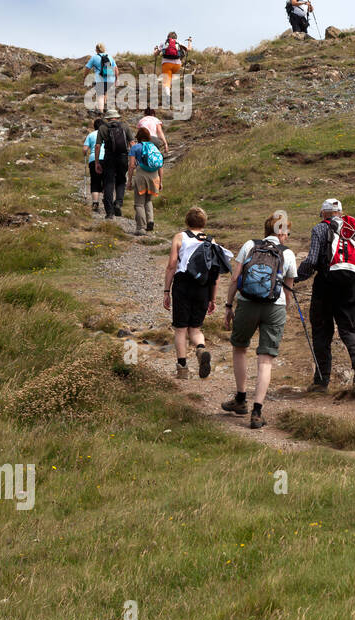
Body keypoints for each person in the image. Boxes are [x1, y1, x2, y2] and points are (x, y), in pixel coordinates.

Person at [222, 212, 298, 429]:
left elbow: (235, 278)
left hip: (247, 303)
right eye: (287, 232)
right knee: (265, 359)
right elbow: (288, 290)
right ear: (281, 234)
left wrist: (228, 306)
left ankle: (240, 398)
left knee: (239, 348)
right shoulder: (289, 254)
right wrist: (285, 311)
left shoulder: (249, 245)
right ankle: (257, 411)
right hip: (275, 307)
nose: (288, 236)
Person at [295, 198, 355, 392]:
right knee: (348, 328)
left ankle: (321, 382)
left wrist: (296, 277)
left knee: (322, 331)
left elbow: (312, 259)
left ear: (323, 214)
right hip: (350, 283)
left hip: (326, 283)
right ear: (341, 213)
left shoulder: (320, 229)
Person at [163, 207, 227, 380]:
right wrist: (212, 298)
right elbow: (215, 274)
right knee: (196, 328)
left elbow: (171, 266)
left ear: (187, 221)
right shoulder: (211, 242)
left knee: (181, 329)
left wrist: (166, 291)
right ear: (204, 222)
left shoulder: (179, 237)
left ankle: (182, 368)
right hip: (203, 287)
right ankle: (200, 349)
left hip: (183, 285)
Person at [93, 109, 134, 219]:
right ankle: (118, 203)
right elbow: (132, 143)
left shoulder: (103, 128)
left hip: (109, 157)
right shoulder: (125, 126)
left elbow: (97, 146)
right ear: (117, 117)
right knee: (121, 181)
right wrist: (132, 160)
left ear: (107, 118)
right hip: (123, 157)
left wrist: (97, 162)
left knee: (108, 183)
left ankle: (109, 212)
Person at [127, 126, 162, 235]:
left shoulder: (135, 148)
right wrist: (160, 181)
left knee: (139, 203)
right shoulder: (154, 147)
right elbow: (161, 165)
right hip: (154, 175)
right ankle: (150, 220)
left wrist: (129, 180)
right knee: (148, 200)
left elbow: (132, 165)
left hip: (141, 175)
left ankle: (141, 228)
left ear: (138, 136)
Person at [155, 32, 190, 110]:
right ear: (176, 37)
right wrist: (189, 41)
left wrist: (156, 49)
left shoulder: (164, 43)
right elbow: (188, 49)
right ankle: (171, 86)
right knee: (169, 77)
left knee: (166, 82)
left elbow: (156, 54)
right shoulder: (178, 42)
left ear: (168, 37)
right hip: (177, 65)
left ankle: (168, 97)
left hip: (166, 64)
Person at [83, 43, 116, 117]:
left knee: (100, 95)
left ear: (96, 49)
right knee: (105, 92)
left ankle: (101, 112)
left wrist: (85, 76)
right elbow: (116, 69)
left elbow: (87, 68)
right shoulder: (110, 57)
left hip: (100, 79)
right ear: (104, 49)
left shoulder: (94, 58)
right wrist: (116, 79)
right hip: (110, 79)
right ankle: (104, 108)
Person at [83, 118, 105, 214]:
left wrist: (85, 153)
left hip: (93, 159)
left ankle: (95, 202)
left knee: (95, 181)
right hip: (106, 159)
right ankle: (107, 200)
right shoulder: (106, 133)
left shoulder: (90, 135)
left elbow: (84, 149)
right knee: (106, 181)